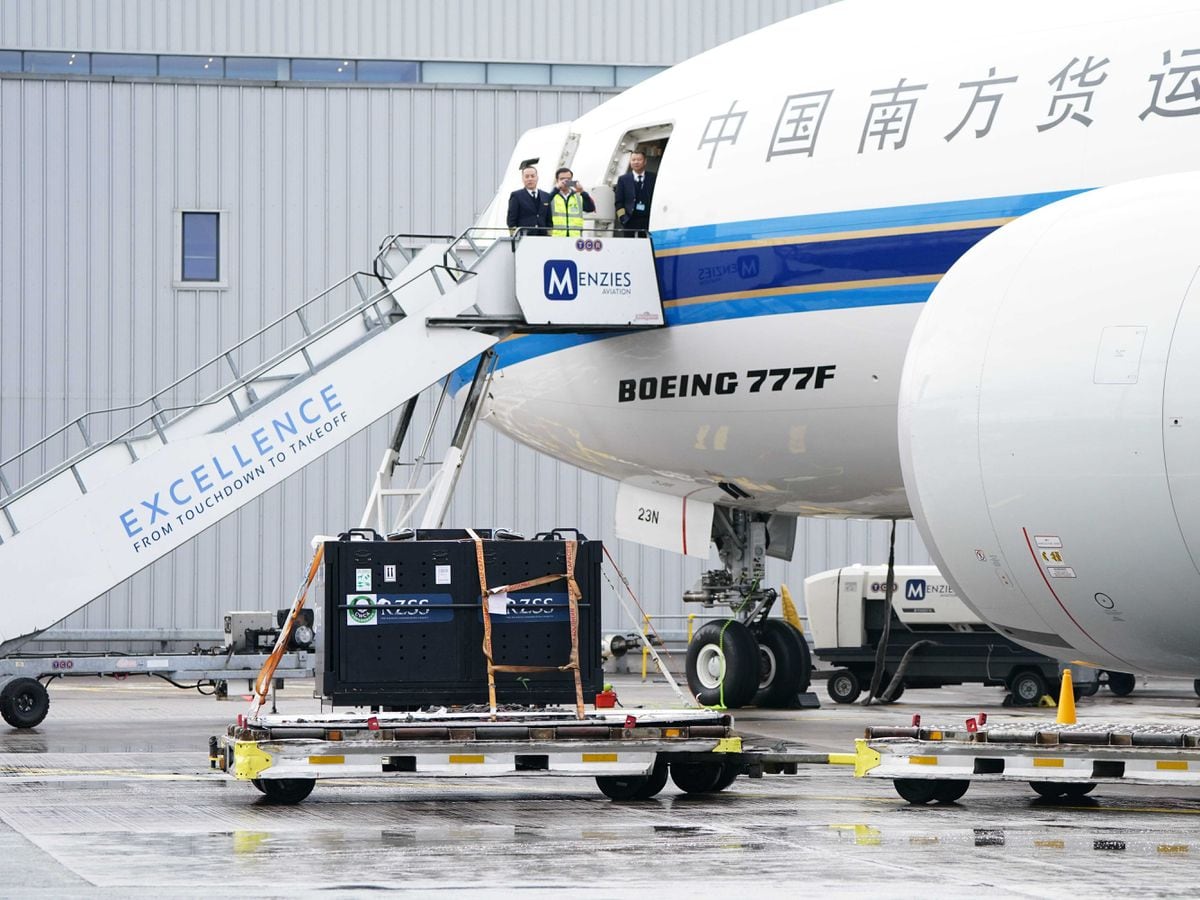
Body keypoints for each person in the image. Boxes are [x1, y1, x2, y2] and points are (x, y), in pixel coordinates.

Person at [614, 150, 656, 236]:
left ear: (645, 161)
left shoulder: (653, 178)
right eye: (633, 160)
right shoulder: (623, 179)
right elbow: (619, 202)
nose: (636, 162)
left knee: (646, 245)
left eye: (639, 159)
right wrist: (623, 218)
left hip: (647, 220)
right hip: (630, 219)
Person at [549, 167, 595, 237]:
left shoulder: (578, 197)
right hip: (556, 238)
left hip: (574, 238)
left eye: (568, 179)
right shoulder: (552, 196)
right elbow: (544, 204)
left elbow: (590, 208)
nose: (565, 182)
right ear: (557, 181)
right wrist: (556, 189)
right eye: (562, 179)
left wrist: (582, 191)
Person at [506, 164, 550, 236]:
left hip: (543, 237)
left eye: (532, 176)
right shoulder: (516, 196)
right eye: (527, 176)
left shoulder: (546, 196)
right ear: (522, 179)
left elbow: (549, 220)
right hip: (524, 237)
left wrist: (549, 236)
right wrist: (514, 237)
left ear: (537, 178)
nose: (530, 179)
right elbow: (511, 220)